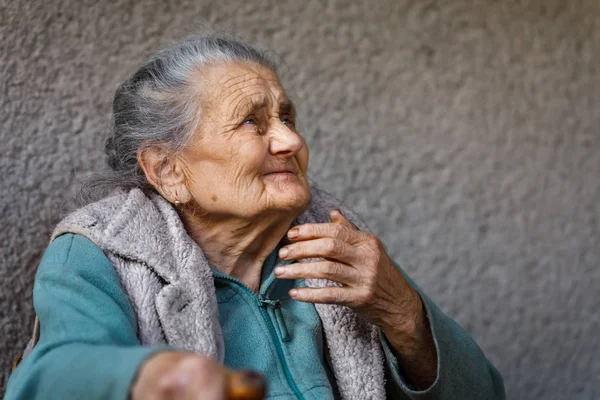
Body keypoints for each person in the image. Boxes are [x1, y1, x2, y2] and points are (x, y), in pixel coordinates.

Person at [5, 35, 505, 400]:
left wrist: (403, 312)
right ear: (167, 170)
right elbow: (49, 378)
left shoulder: (332, 242)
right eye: (252, 122)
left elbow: (486, 395)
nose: (290, 140)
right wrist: (155, 377)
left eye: (286, 118)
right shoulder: (101, 250)